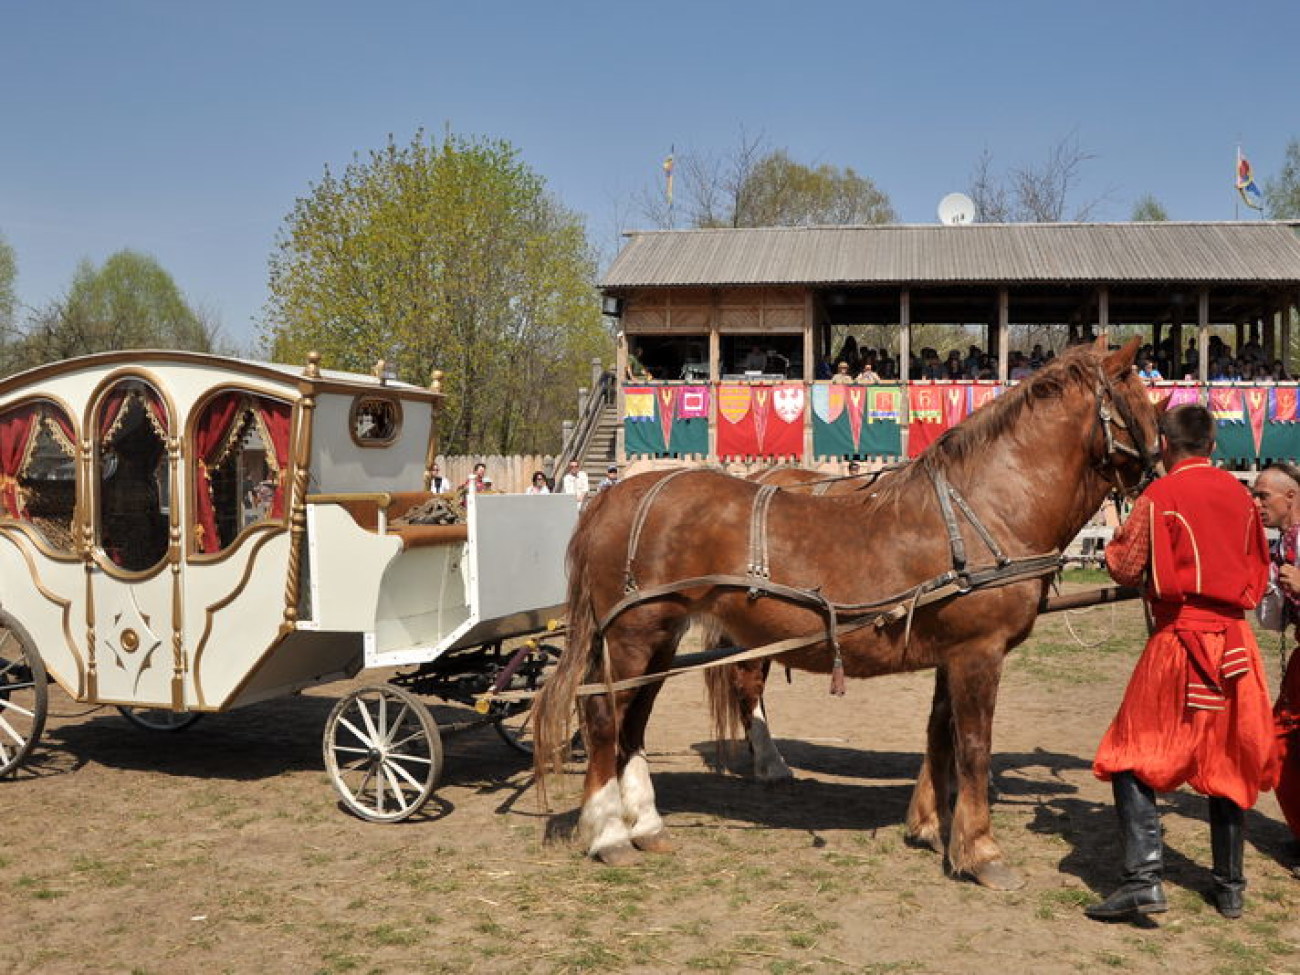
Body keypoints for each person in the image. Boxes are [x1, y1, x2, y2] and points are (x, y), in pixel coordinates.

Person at [1087, 405, 1278, 922]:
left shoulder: (1159, 496)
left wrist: (1115, 533)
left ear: (1165, 448)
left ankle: (1143, 879)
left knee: (1129, 754)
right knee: (1227, 757)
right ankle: (1230, 886)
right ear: (1213, 447)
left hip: (1179, 641)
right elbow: (1259, 571)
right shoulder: (1242, 498)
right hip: (1236, 645)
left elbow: (1127, 568)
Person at [1250, 463, 1300, 872]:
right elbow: (1271, 620)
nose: (1257, 502)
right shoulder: (1282, 544)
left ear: (1291, 497)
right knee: (1281, 743)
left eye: (1263, 495)